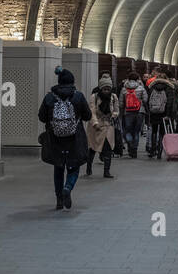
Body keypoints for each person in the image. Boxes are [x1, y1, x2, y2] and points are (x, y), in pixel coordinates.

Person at [37, 68, 92, 211]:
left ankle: (59, 200)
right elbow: (87, 116)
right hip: (75, 138)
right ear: (72, 82)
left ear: (59, 82)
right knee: (74, 167)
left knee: (58, 167)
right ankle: (68, 188)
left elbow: (42, 116)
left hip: (55, 139)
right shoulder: (78, 96)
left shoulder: (49, 97)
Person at [84, 74, 118, 180]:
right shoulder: (94, 97)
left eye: (108, 88)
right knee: (93, 148)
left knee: (108, 149)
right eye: (104, 88)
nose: (107, 90)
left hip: (108, 126)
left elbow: (116, 110)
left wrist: (114, 116)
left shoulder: (113, 97)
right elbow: (92, 111)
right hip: (96, 127)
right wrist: (95, 123)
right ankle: (88, 168)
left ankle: (106, 171)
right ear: (101, 88)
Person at [145, 69, 175, 159]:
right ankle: (160, 152)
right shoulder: (169, 87)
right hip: (164, 113)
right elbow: (170, 102)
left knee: (154, 131)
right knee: (162, 132)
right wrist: (169, 114)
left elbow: (147, 100)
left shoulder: (151, 86)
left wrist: (149, 111)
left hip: (154, 112)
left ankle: (153, 150)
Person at [119, 71, 147, 158]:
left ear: (128, 79)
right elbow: (145, 100)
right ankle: (134, 149)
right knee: (136, 131)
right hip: (139, 112)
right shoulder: (141, 88)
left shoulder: (124, 89)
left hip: (128, 112)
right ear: (138, 79)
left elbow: (121, 103)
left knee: (128, 131)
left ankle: (130, 144)